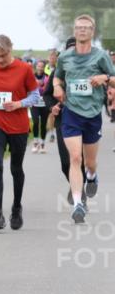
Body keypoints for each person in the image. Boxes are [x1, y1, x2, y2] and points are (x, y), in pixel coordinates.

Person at [52, 14, 115, 223]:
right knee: (75, 158)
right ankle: (78, 203)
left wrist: (104, 78)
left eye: (86, 28)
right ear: (74, 30)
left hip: (93, 114)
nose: (82, 30)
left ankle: (92, 176)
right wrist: (57, 88)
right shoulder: (65, 56)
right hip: (71, 112)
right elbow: (58, 77)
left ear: (92, 31)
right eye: (78, 27)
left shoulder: (101, 56)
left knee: (90, 162)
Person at [0, 34, 40, 230]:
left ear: (11, 50)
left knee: (16, 168)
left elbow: (35, 96)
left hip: (18, 125)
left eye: (3, 55)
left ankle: (16, 208)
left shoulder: (24, 69)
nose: (0, 60)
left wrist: (19, 103)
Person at [44, 37, 85, 204]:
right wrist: (52, 107)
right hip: (63, 120)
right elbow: (47, 94)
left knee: (78, 158)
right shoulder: (58, 72)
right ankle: (76, 186)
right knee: (65, 162)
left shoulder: (89, 70)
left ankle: (79, 195)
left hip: (84, 120)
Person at [31, 60, 50, 153]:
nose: (40, 68)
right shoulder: (31, 77)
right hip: (34, 103)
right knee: (35, 122)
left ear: (44, 68)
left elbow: (50, 89)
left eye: (42, 66)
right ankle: (35, 142)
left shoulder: (47, 77)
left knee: (43, 124)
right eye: (38, 66)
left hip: (44, 103)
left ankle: (42, 144)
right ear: (36, 67)